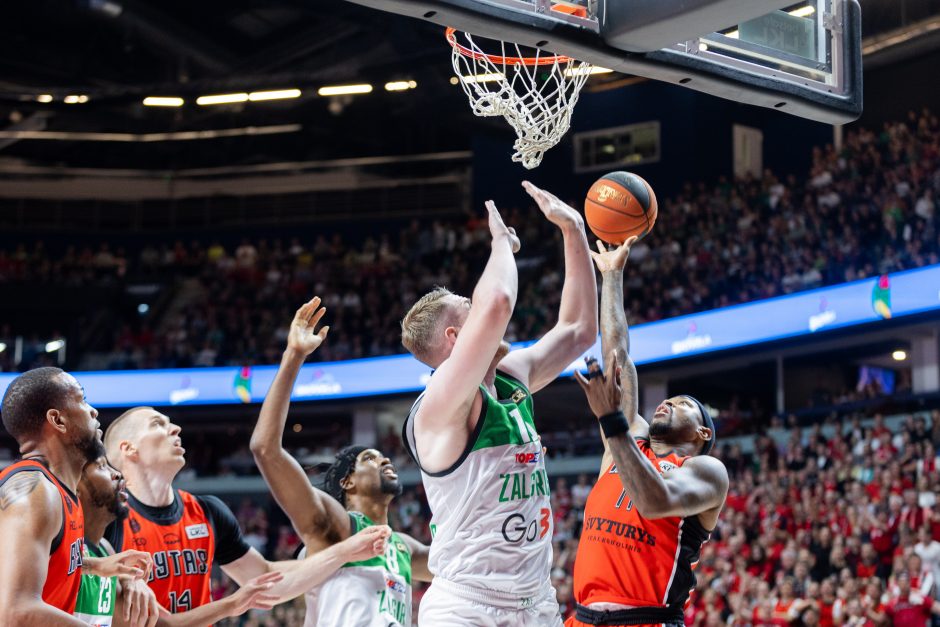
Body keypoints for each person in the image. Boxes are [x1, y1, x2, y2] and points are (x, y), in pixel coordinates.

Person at [400, 182, 598, 626]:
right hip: (467, 606)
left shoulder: (511, 379)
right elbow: (498, 302)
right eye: (466, 307)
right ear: (455, 338)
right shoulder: (439, 405)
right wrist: (500, 243)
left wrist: (574, 229)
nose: (480, 308)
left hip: (536, 602)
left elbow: (580, 330)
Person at [568, 238, 729, 627]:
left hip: (648, 620)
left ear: (703, 433)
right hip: (581, 619)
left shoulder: (707, 471)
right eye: (667, 399)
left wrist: (611, 422)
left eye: (683, 404)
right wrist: (612, 275)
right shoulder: (630, 437)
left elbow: (655, 502)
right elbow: (618, 355)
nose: (668, 403)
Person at [103, 405, 392, 618]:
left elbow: (265, 579)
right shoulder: (105, 519)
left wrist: (347, 553)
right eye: (157, 424)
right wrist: (344, 553)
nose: (175, 428)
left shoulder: (207, 511)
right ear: (129, 449)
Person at [250, 296, 431, 626]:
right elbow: (266, 449)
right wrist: (293, 356)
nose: (385, 459)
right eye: (370, 458)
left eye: (382, 456)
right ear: (347, 481)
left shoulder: (403, 547)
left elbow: (464, 564)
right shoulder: (337, 527)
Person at [0, 367, 151, 626]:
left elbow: (38, 561)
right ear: (58, 421)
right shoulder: (36, 491)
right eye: (81, 399)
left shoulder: (58, 491)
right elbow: (16, 612)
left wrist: (94, 565)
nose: (93, 411)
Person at [76, 454, 289, 626]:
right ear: (76, 486)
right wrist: (232, 603)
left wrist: (127, 579)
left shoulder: (105, 550)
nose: (117, 475)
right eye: (104, 466)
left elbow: (167, 624)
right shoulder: (59, 542)